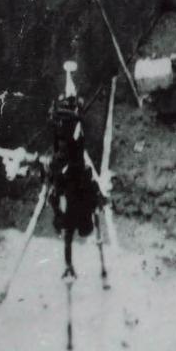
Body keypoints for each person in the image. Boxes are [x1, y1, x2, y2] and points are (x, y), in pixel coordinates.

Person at [46, 92, 100, 278]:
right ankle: (69, 265)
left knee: (68, 142)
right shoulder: (74, 216)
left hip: (71, 173)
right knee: (71, 142)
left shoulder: (73, 217)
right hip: (72, 172)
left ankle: (72, 112)